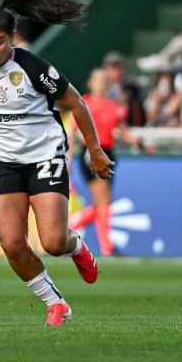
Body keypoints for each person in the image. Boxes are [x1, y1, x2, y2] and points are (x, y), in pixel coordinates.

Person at [0, 0, 110, 327]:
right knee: (13, 244)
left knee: (53, 242)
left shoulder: (33, 66)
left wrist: (95, 151)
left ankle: (76, 246)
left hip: (45, 157)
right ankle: (56, 303)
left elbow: (76, 103)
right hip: (1, 162)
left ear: (12, 37)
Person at [67, 67, 138, 257]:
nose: (101, 84)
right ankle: (107, 247)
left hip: (108, 153)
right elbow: (72, 132)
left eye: (104, 81)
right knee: (103, 200)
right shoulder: (83, 103)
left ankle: (71, 227)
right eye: (98, 80)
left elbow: (124, 132)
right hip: (91, 153)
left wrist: (142, 144)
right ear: (90, 83)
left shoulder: (113, 106)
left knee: (103, 203)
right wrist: (68, 156)